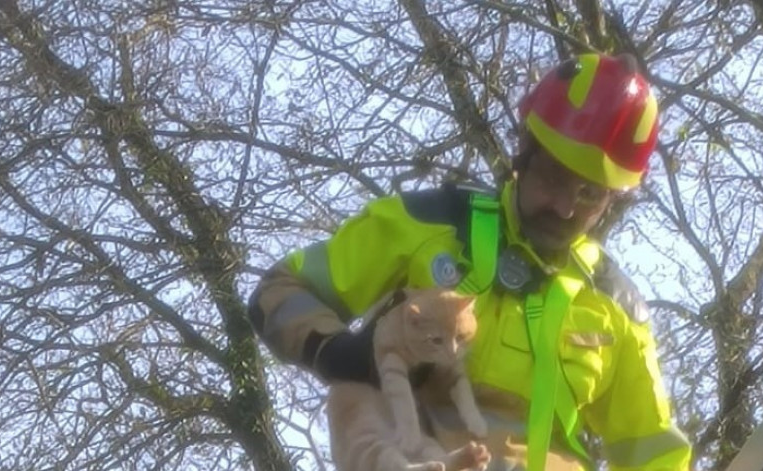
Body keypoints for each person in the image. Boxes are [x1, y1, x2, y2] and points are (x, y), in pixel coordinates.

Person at [247, 52, 692, 471]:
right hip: (413, 454)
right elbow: (280, 290)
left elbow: (654, 449)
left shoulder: (615, 305)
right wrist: (333, 350)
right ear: (524, 149)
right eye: (553, 177)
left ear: (611, 200)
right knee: (355, 398)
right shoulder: (427, 223)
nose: (563, 207)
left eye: (589, 195)